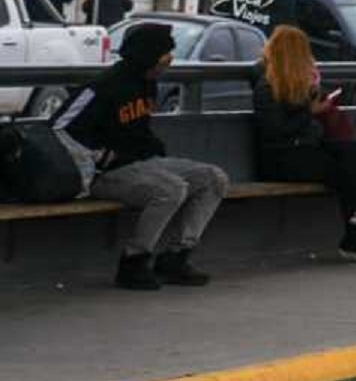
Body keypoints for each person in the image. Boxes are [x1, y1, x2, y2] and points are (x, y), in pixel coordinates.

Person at [51, 22, 228, 290]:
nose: (170, 61)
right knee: (170, 189)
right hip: (103, 173)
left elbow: (139, 132)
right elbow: (58, 125)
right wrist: (99, 156)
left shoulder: (148, 85)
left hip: (141, 163)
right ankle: (134, 261)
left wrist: (154, 151)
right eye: (166, 55)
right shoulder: (104, 86)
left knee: (213, 178)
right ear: (148, 55)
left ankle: (175, 257)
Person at [252, 25, 356, 263]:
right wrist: (310, 112)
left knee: (352, 151)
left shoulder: (298, 83)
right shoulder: (266, 86)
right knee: (345, 173)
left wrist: (316, 99)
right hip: (281, 157)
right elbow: (275, 131)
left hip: (305, 147)